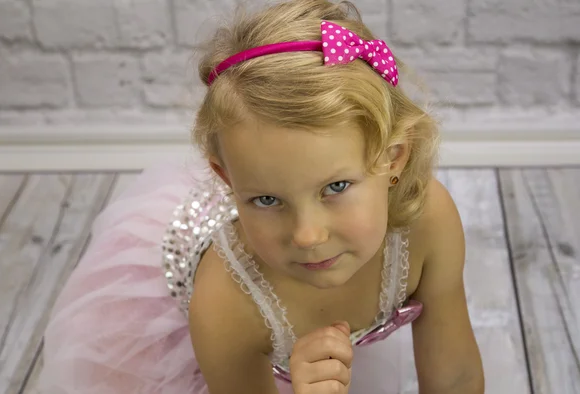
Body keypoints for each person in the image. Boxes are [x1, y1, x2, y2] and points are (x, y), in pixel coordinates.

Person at [37, 0, 485, 393]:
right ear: (226, 179)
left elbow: (455, 377)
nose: (307, 235)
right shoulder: (224, 304)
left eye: (336, 187)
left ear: (394, 159)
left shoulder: (428, 222)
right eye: (267, 200)